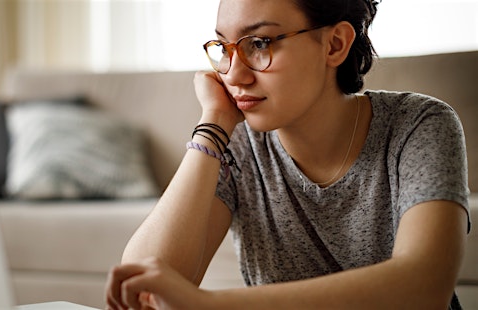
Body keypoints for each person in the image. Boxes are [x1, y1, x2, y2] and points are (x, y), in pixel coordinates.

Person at [105, 0, 471, 309]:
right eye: (224, 48)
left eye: (259, 43)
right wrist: (213, 124)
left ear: (335, 44)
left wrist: (211, 305)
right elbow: (142, 290)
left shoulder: (419, 125)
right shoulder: (235, 143)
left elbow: (426, 287)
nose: (234, 75)